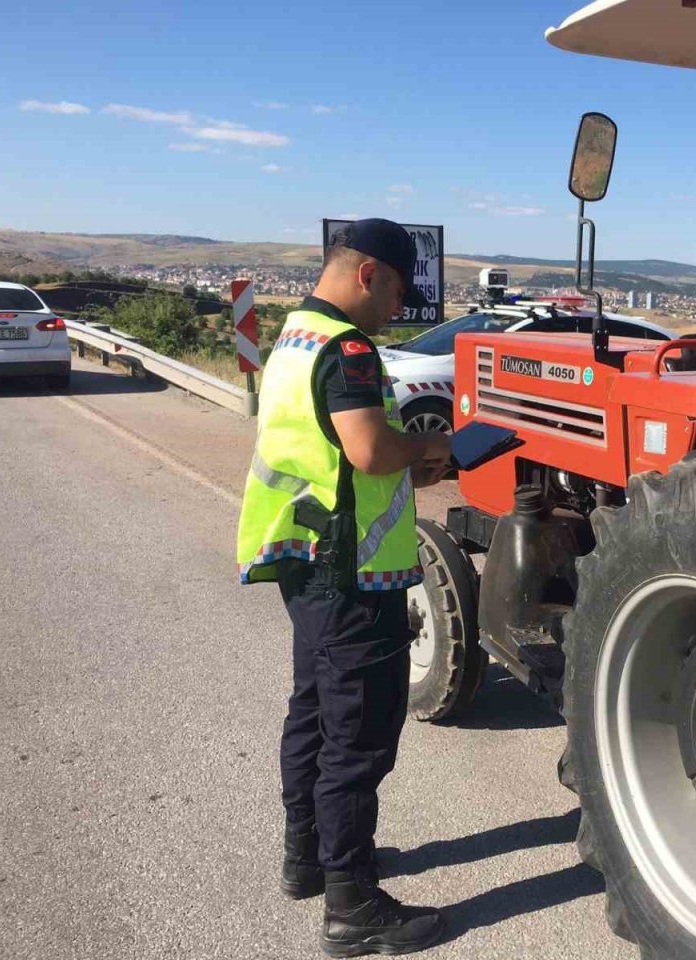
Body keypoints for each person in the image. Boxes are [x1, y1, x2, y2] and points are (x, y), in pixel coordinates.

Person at [236, 219, 452, 956]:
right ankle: (353, 905)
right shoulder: (350, 348)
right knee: (357, 734)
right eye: (396, 289)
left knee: (315, 712)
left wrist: (400, 462)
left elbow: (328, 446)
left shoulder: (295, 335)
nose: (397, 307)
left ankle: (310, 860)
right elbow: (366, 447)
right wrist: (429, 449)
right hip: (351, 568)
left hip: (304, 553)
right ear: (367, 275)